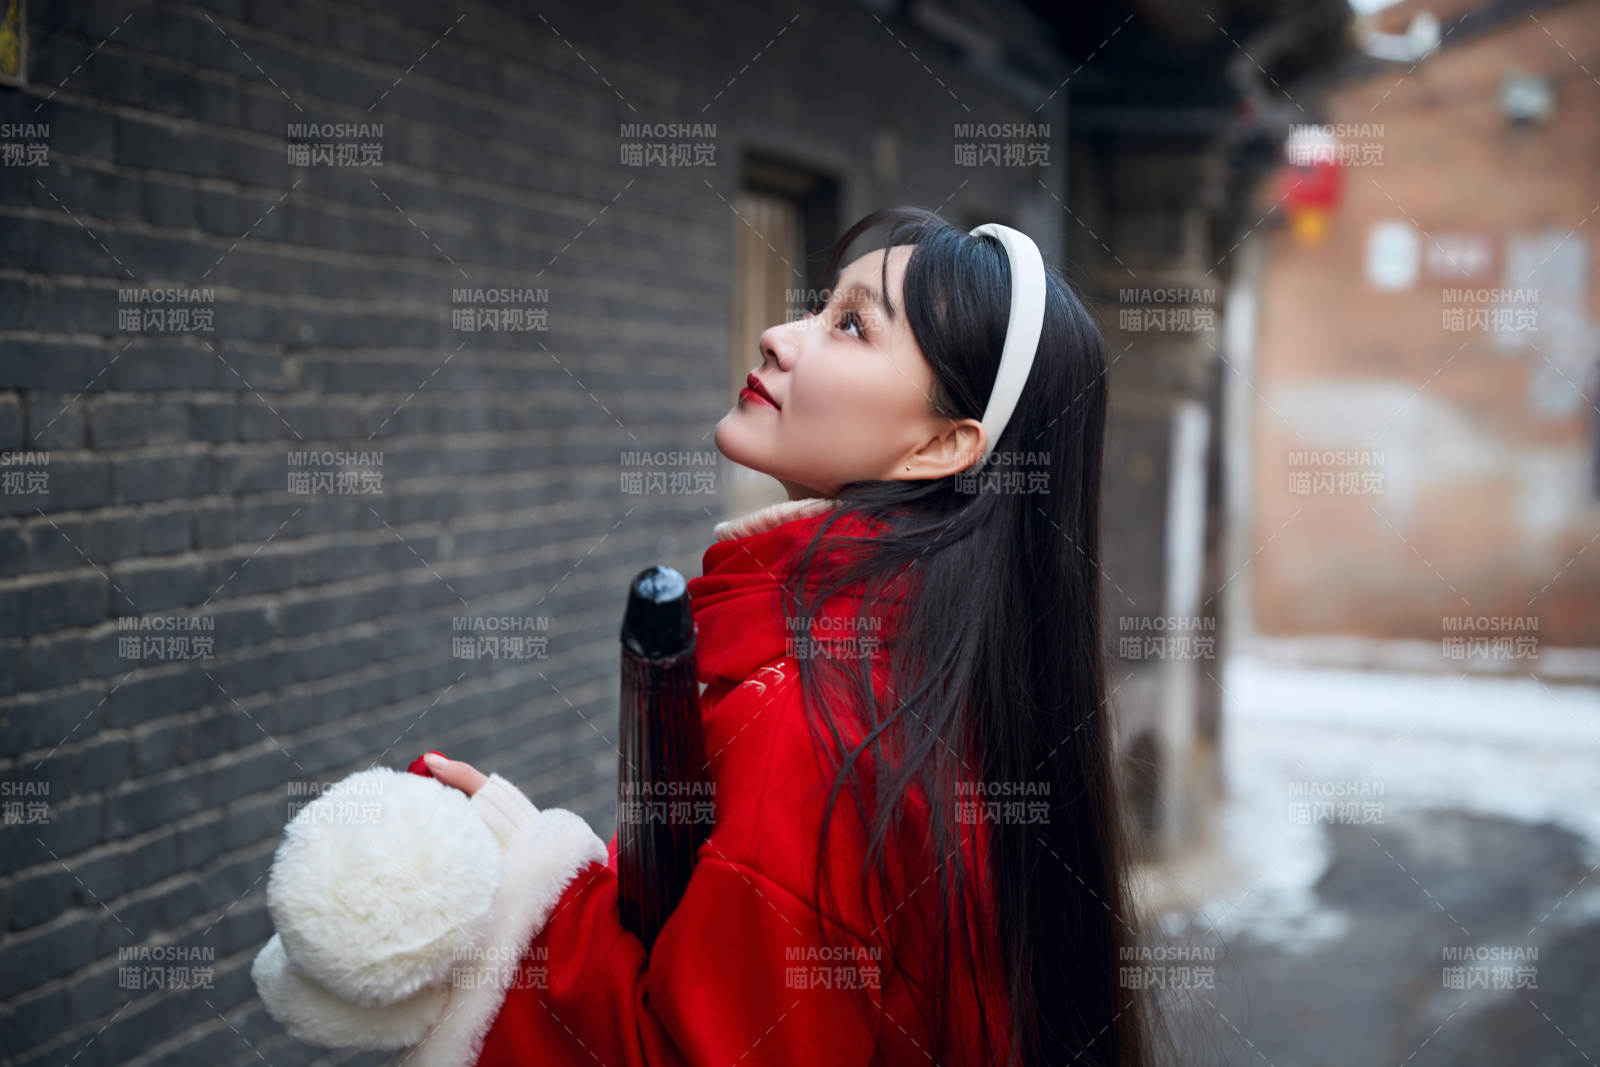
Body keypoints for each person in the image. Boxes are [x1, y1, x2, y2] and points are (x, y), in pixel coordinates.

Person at [251, 206, 1158, 1067]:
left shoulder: (812, 722)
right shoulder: (927, 675)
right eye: (820, 304)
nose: (781, 334)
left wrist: (511, 904)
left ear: (940, 448)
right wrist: (535, 855)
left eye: (853, 326)